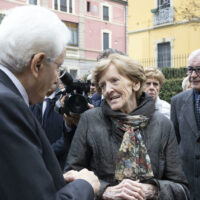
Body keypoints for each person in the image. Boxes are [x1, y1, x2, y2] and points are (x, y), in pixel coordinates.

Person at [0, 5, 100, 200]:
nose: (58, 78)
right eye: (58, 66)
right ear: (37, 64)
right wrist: (84, 186)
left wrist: (51, 181)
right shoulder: (7, 104)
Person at [65, 54, 190, 200]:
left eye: (114, 81)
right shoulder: (90, 120)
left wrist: (153, 190)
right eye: (102, 85)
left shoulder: (163, 125)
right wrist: (105, 191)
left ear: (135, 84)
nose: (108, 90)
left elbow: (182, 189)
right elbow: (70, 175)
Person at [171, 49, 200, 200]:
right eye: (190, 69)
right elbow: (174, 143)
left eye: (198, 69)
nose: (193, 75)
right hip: (187, 185)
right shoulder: (177, 101)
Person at [30, 80, 73, 170]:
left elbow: (67, 134)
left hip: (58, 163)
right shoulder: (33, 101)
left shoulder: (64, 101)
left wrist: (47, 153)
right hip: (36, 163)